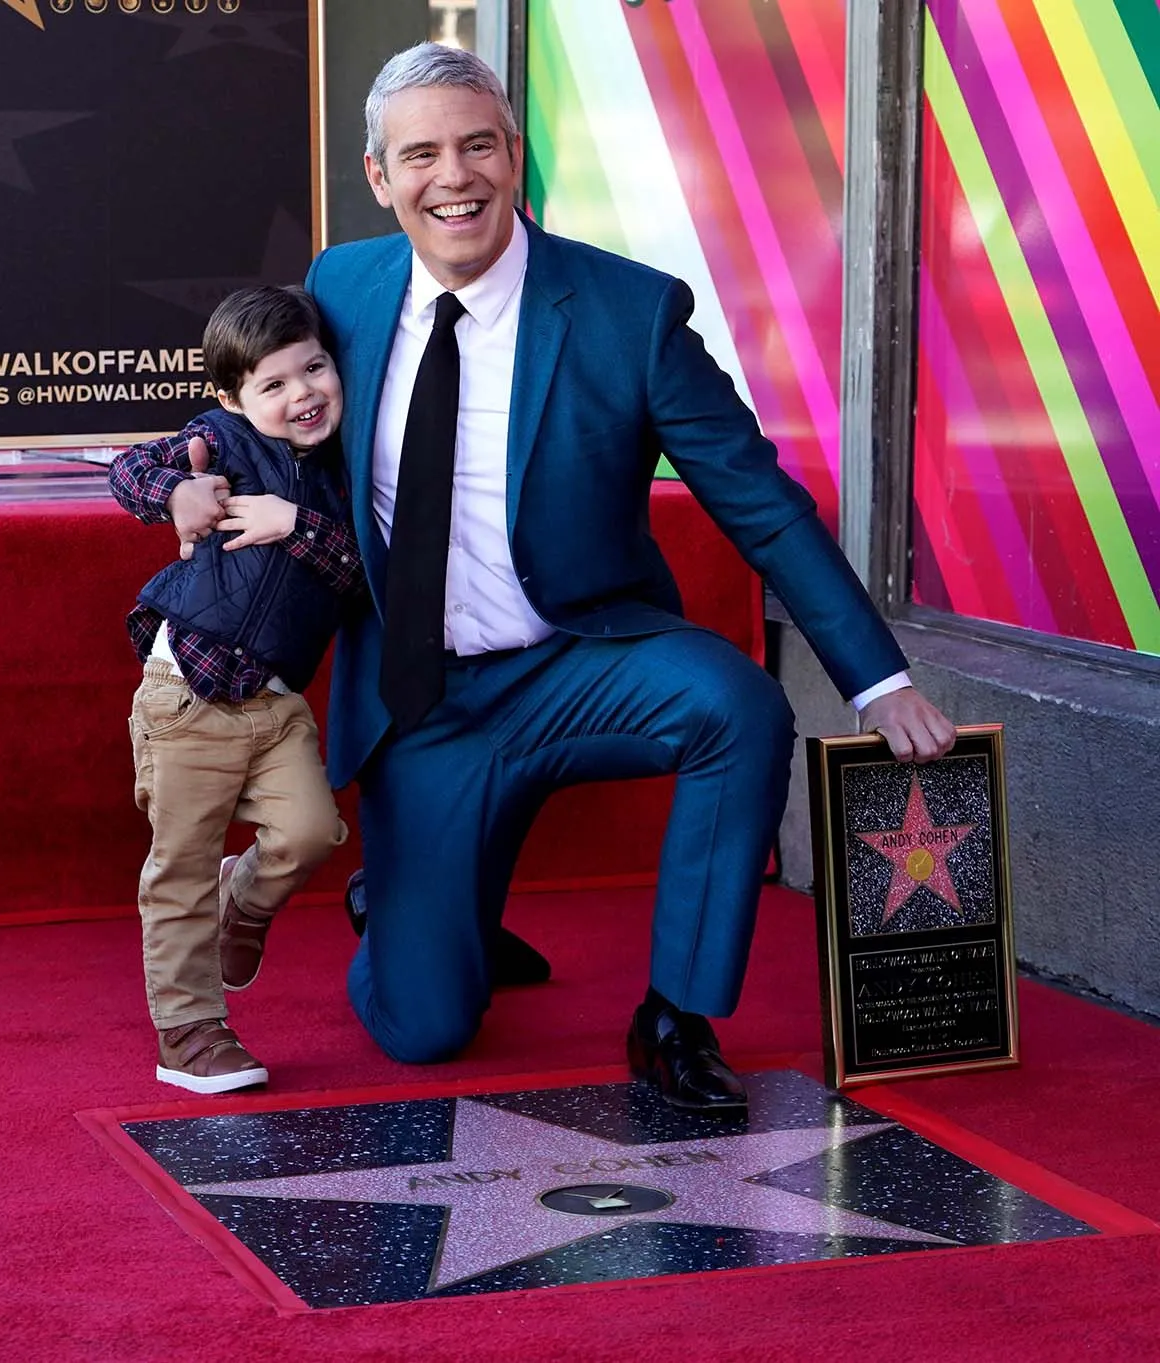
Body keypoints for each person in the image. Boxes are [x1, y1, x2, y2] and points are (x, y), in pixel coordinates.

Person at [298, 42, 954, 1113]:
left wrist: (879, 680)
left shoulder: (628, 312)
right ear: (380, 177)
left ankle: (675, 1015)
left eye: (477, 146)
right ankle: (414, 901)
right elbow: (266, 412)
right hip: (423, 703)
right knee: (425, 1028)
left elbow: (759, 499)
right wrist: (177, 479)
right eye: (420, 154)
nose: (452, 176)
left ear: (515, 156)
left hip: (579, 661)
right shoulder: (342, 288)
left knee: (737, 705)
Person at [109, 284, 369, 1095]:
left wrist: (296, 522)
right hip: (186, 692)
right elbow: (132, 470)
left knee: (313, 830)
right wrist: (176, 494)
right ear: (231, 397)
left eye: (314, 369)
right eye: (273, 384)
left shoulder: (347, 471)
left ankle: (244, 903)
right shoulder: (215, 441)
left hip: (277, 701)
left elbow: (362, 572)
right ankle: (189, 1032)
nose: (302, 395)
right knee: (180, 864)